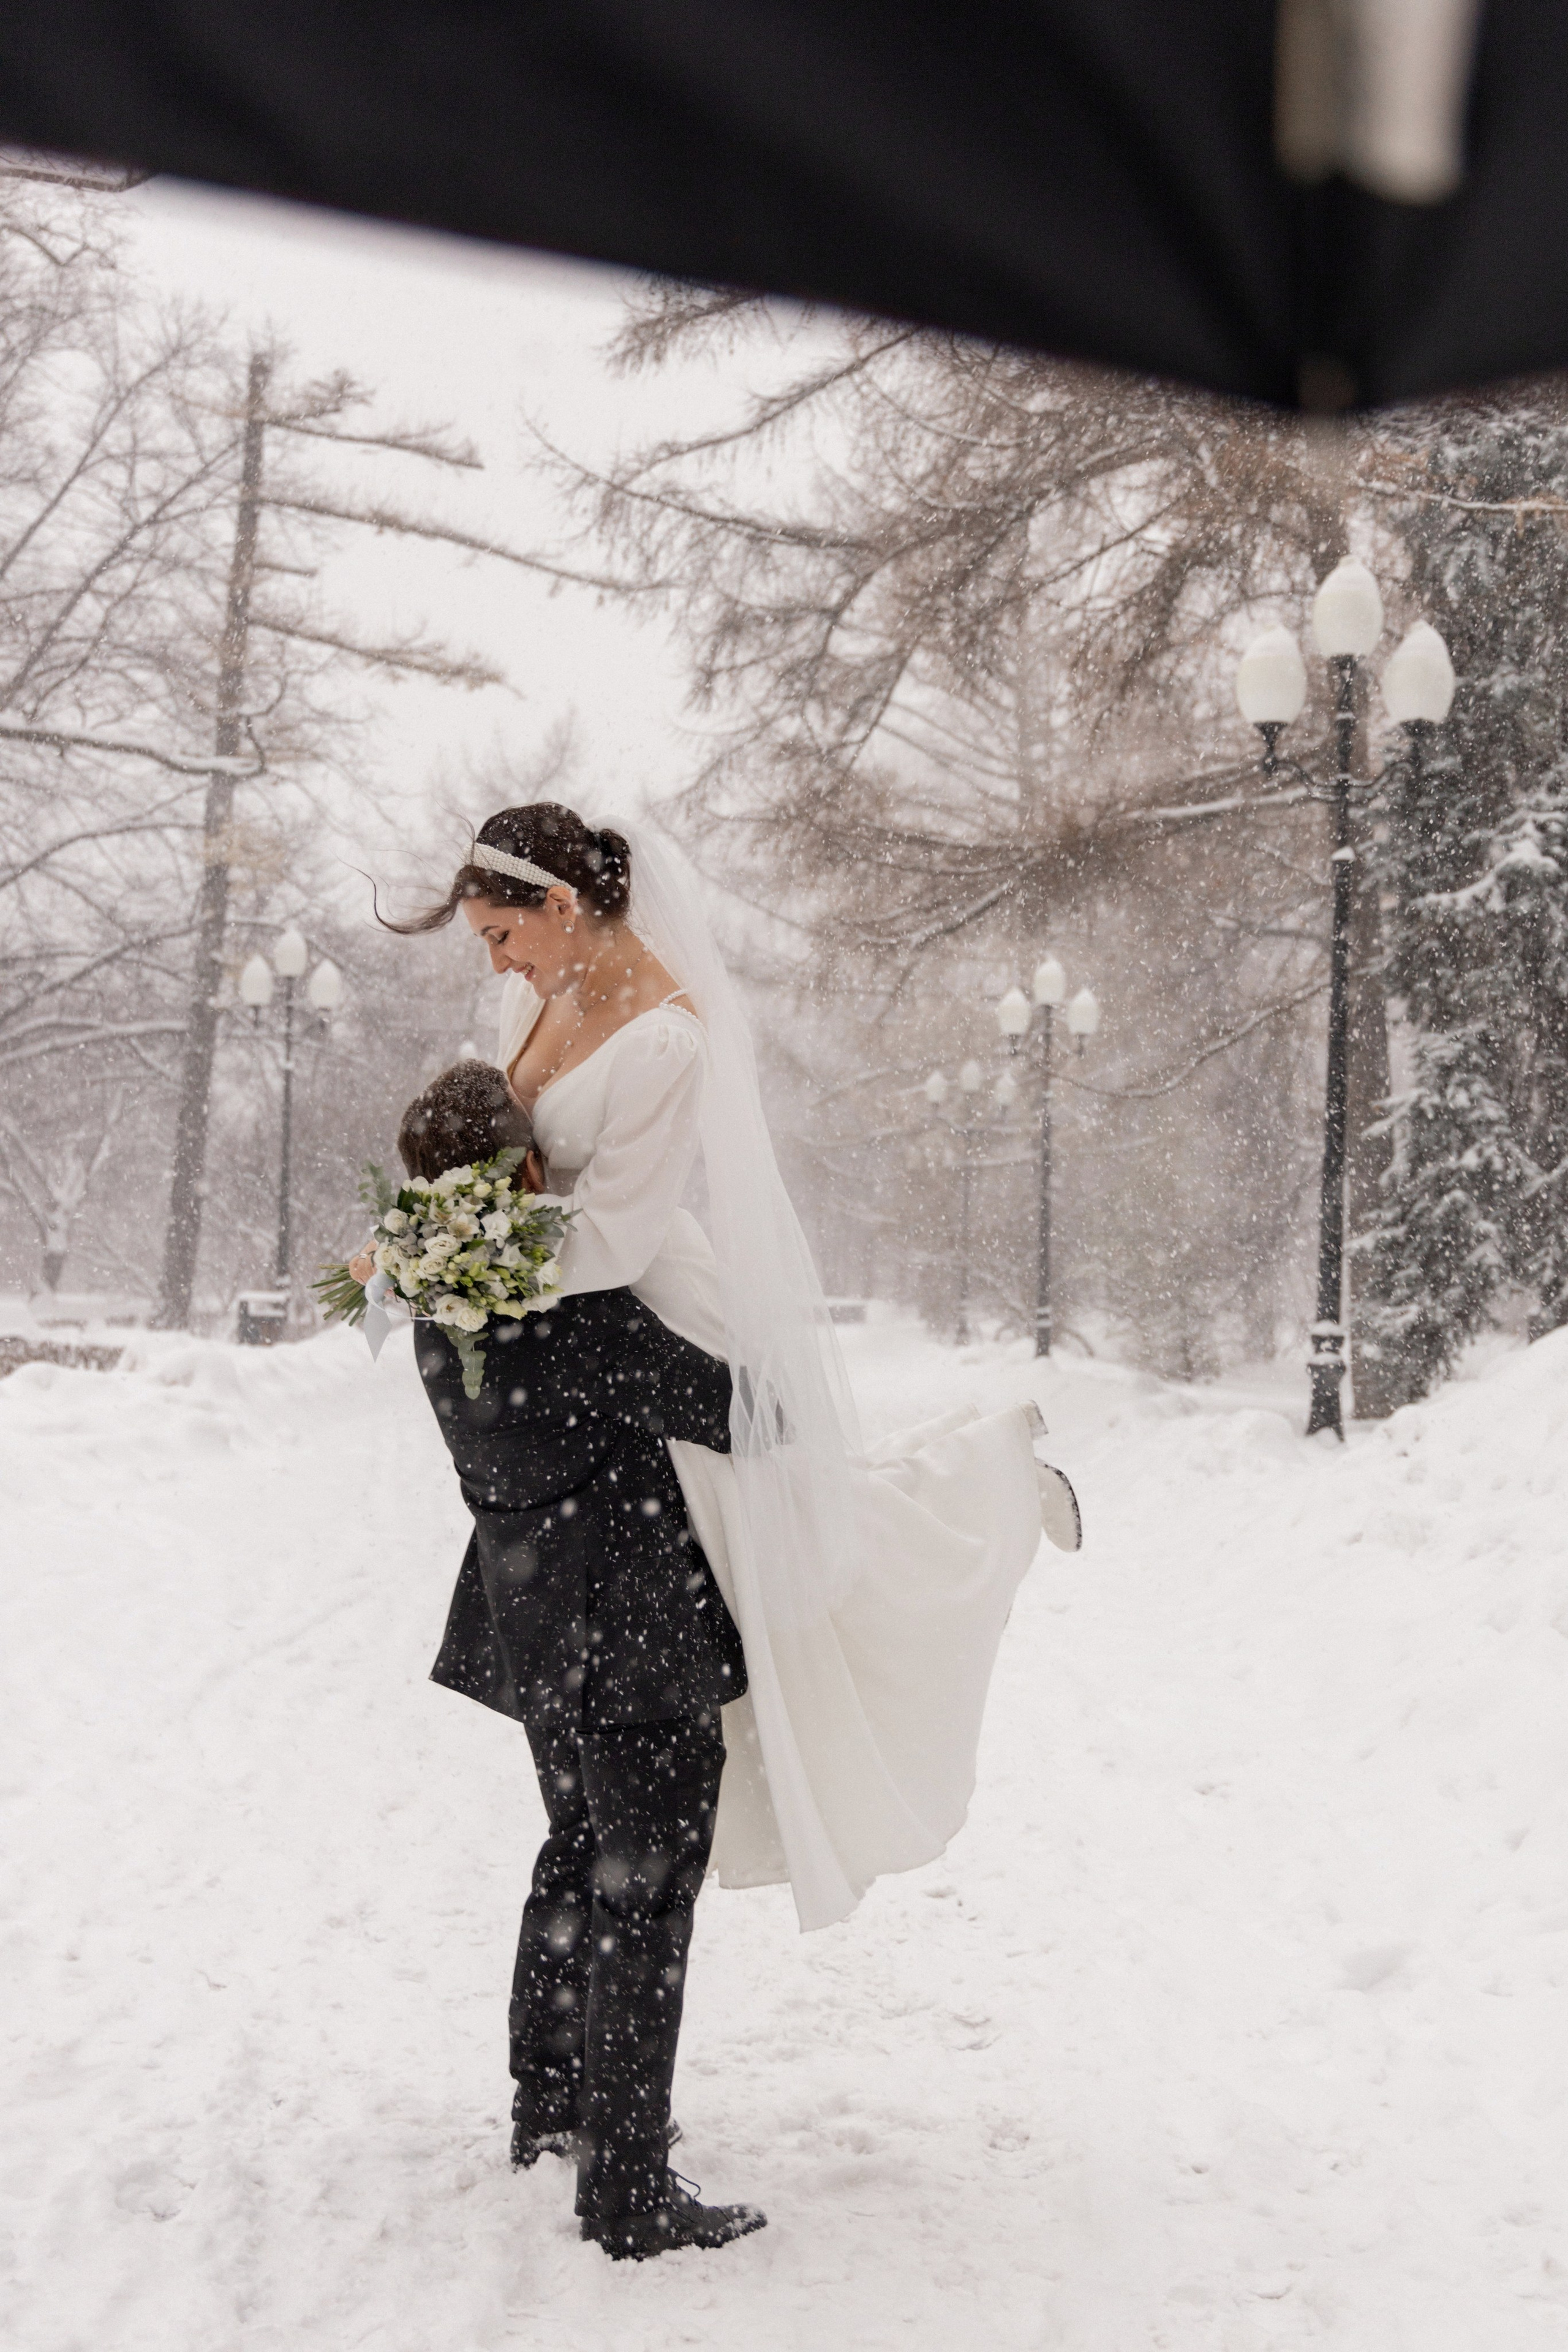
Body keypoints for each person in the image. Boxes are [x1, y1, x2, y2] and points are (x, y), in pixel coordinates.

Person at [386, 802, 1080, 2233]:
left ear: (567, 902)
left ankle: (559, 2106)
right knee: (643, 1831)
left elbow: (620, 1237)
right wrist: (467, 1258)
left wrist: (455, 1259)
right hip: (601, 1409)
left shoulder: (664, 1041)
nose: (502, 966)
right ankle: (616, 2174)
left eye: (507, 931)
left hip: (612, 1329)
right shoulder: (554, 1039)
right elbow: (596, 1286)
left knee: (617, 1793)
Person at [372, 1060, 767, 2260]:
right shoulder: (577, 1317)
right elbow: (745, 1409)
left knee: (576, 1853)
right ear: (530, 1174)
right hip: (633, 1638)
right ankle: (628, 2191)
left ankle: (551, 2106)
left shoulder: (439, 1310)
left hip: (538, 1632)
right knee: (643, 1893)